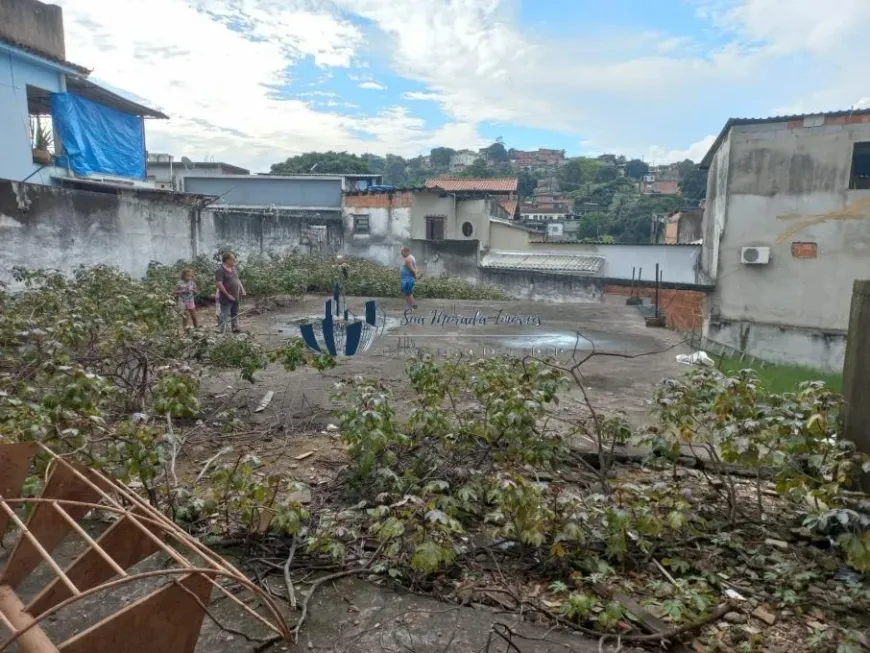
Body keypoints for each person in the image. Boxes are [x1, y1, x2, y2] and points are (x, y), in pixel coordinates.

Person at [215, 252, 245, 333]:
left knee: (235, 313)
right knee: (224, 315)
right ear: (227, 260)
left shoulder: (233, 268)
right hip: (226, 297)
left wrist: (242, 289)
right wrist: (228, 295)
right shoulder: (220, 270)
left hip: (236, 296)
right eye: (233, 259)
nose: (235, 260)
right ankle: (221, 331)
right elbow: (219, 284)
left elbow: (237, 280)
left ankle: (235, 328)